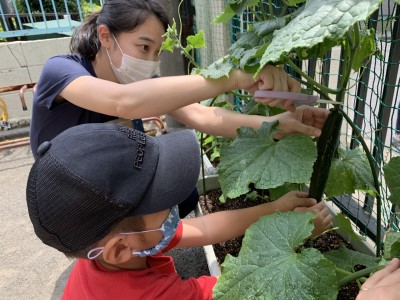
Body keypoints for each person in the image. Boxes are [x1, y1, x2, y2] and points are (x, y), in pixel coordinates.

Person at [26, 123, 333, 300]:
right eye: (162, 200)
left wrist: (275, 209)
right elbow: (242, 287)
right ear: (120, 248)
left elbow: (207, 229)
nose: (175, 205)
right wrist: (295, 236)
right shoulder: (155, 295)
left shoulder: (113, 246)